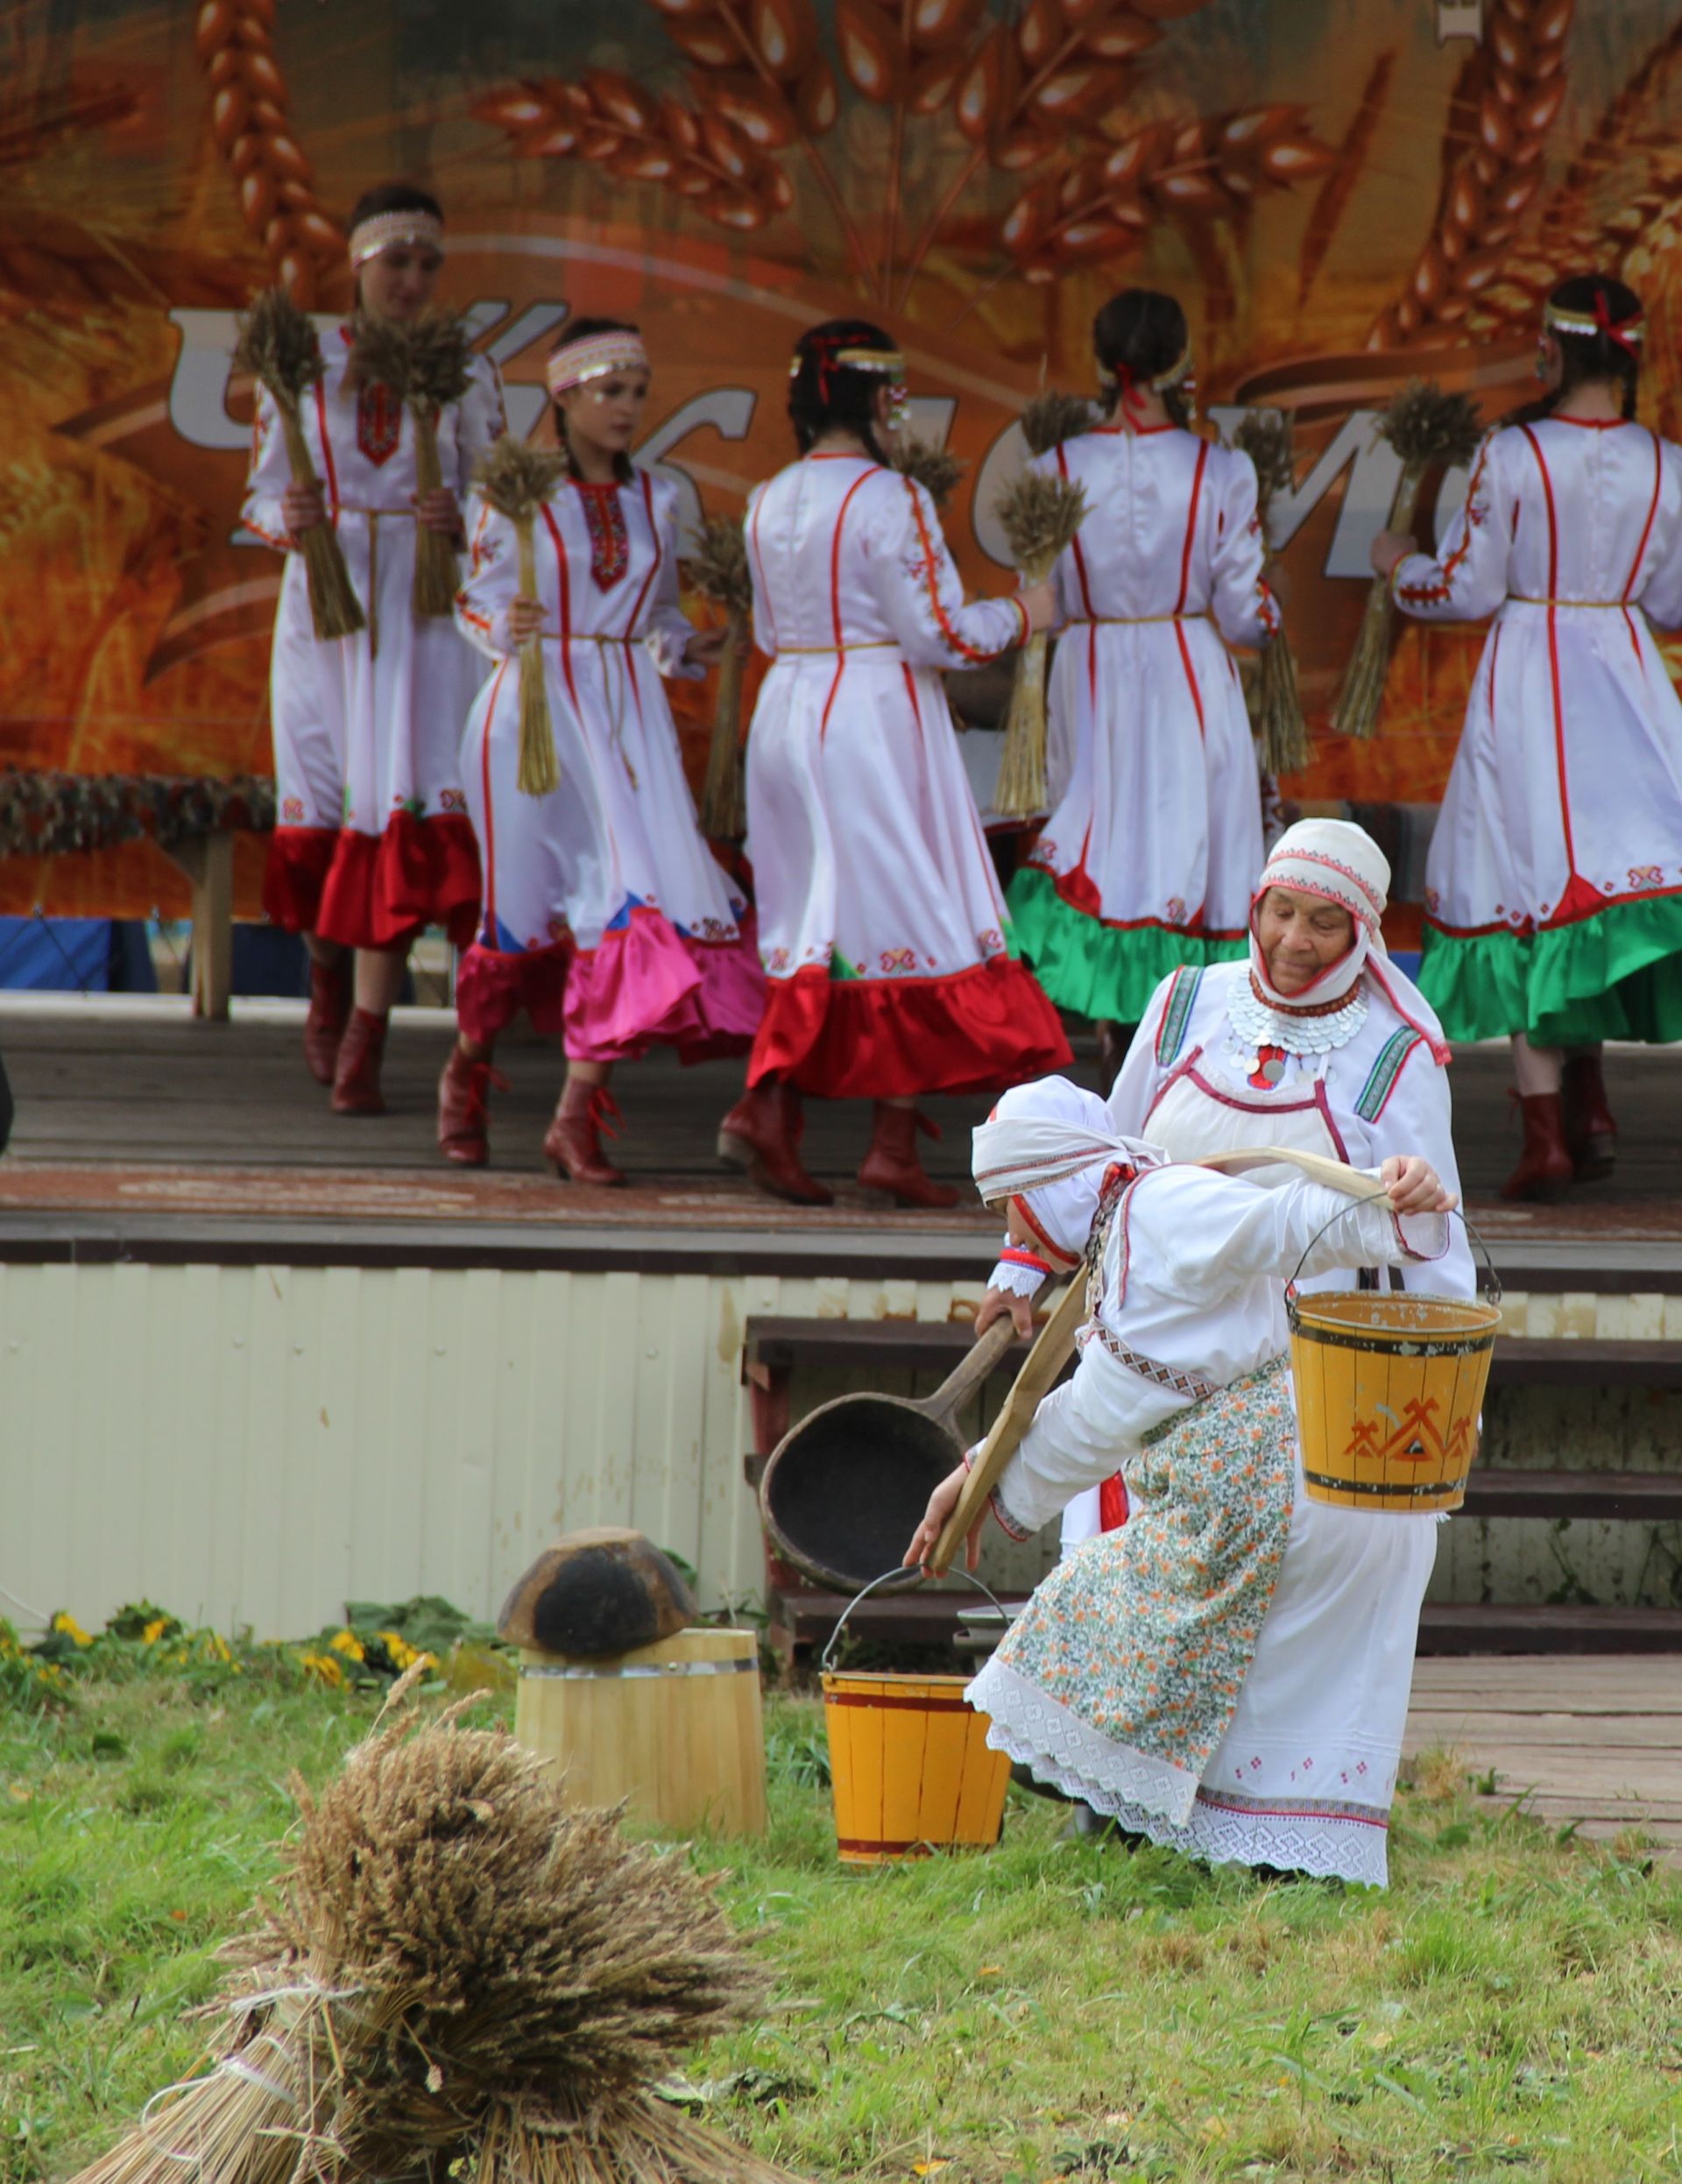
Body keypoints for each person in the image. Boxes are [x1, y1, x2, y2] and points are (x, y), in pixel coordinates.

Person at [904, 1077, 1457, 1888]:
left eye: (1008, 1206)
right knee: (1247, 1673)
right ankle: (1266, 1857)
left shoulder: (1164, 1211)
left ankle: (1145, 1802)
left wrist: (1399, 1203)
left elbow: (1288, 1219)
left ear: (1045, 1187)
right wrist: (975, 1477)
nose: (1011, 1229)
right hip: (1305, 1492)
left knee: (1083, 1604)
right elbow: (1094, 1411)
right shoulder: (1127, 1235)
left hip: (1287, 1500)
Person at [979, 819, 1475, 1550]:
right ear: (1257, 904)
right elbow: (1100, 1162)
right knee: (1119, 1585)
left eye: (1324, 923)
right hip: (1151, 1337)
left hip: (1298, 1382)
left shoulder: (1397, 1055)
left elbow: (1435, 1238)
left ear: (1363, 934)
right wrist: (1023, 1266)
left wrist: (1441, 1406)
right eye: (1281, 912)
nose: (1293, 941)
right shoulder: (1186, 1002)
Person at [717, 319, 1071, 1209]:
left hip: (788, 704)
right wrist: (1025, 613)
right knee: (907, 910)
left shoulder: (767, 498)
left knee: (820, 921)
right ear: (879, 400)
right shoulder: (892, 499)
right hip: (871, 719)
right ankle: (823, 1123)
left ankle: (838, 1130)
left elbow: (765, 630)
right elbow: (940, 634)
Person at [1375, 272, 1682, 1199]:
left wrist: (1401, 569)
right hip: (1626, 679)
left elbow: (1465, 587)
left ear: (1550, 350)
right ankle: (1586, 1106)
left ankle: (1551, 1131)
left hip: (1532, 679)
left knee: (1519, 883)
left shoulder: (1512, 454)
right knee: (1593, 884)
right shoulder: (1667, 464)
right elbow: (1671, 603)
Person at [443, 320, 762, 1179]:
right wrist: (499, 626)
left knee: (630, 904)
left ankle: (572, 1119)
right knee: (516, 918)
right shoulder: (516, 493)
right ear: (565, 394)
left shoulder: (657, 498)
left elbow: (655, 618)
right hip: (535, 719)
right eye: (609, 391)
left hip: (627, 722)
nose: (626, 408)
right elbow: (472, 604)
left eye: (636, 392)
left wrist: (686, 646)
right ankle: (466, 1071)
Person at [244, 182, 505, 1113]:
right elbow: (260, 494)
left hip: (427, 614)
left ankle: (367, 1037)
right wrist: (292, 515)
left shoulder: (466, 371)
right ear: (357, 264)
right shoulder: (304, 362)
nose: (413, 279)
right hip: (329, 608)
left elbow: (501, 495)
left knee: (406, 810)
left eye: (428, 263)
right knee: (326, 806)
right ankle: (326, 982)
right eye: (397, 261)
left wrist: (461, 512)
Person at [1006, 289, 1281, 1087]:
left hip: (1089, 677)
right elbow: (1245, 615)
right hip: (1188, 671)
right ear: (1182, 363)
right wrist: (1273, 604)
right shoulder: (1222, 469)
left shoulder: (1051, 470)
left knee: (1105, 849)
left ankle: (1118, 1041)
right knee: (1189, 855)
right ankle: (1178, 1060)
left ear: (1100, 362)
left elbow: (1043, 600)